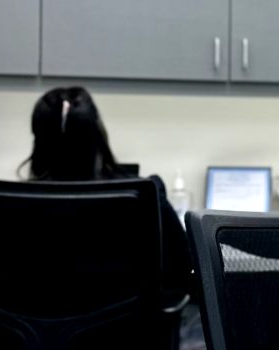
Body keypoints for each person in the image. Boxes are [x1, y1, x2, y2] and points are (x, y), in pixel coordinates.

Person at [19, 86, 192, 305]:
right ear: (98, 136)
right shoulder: (142, 199)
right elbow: (183, 269)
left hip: (32, 326)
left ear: (38, 143)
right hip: (128, 327)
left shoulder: (8, 205)